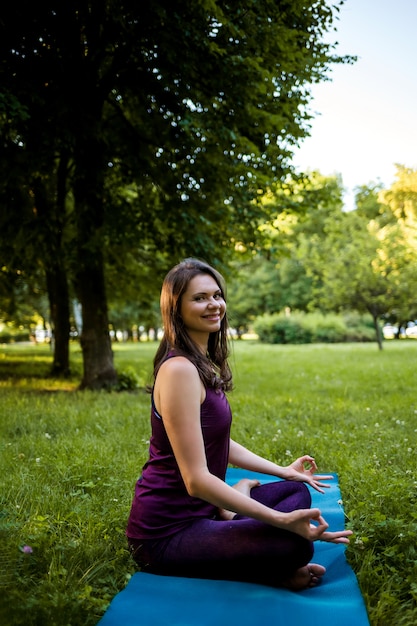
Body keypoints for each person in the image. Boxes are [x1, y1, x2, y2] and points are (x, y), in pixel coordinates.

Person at [126, 258, 352, 590]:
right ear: (176, 308)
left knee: (294, 490)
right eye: (200, 297)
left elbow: (218, 442)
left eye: (217, 294)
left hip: (202, 514)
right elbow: (196, 481)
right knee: (296, 545)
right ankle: (250, 541)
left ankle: (229, 513)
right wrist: (281, 521)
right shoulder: (179, 371)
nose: (213, 304)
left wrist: (283, 471)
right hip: (165, 534)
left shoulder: (199, 364)